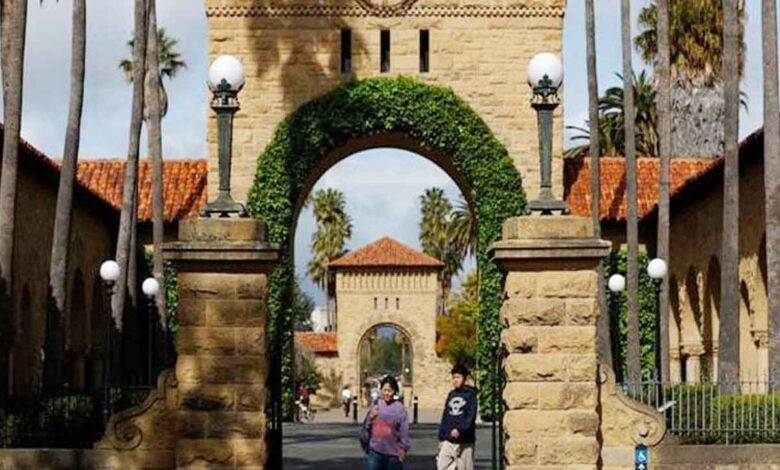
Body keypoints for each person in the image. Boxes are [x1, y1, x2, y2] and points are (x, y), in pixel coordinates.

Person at [363, 376, 411, 470]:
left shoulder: (399, 409)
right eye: (384, 390)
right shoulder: (376, 405)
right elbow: (367, 426)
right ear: (380, 390)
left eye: (390, 391)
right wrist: (370, 417)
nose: (387, 393)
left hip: (393, 454)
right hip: (375, 451)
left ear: (394, 391)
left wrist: (403, 448)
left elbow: (404, 431)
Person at [436, 364, 477, 470]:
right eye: (454, 377)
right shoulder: (451, 395)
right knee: (442, 465)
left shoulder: (470, 395)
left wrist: (460, 429)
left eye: (458, 377)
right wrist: (441, 438)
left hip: (465, 441)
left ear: (464, 378)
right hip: (449, 439)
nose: (455, 380)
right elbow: (445, 416)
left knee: (465, 467)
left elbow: (470, 417)